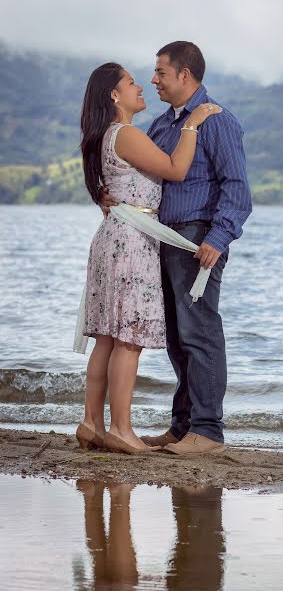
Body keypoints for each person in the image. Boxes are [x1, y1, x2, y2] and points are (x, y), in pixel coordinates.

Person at [102, 42, 252, 456]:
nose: (153, 80)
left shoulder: (217, 121)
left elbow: (238, 190)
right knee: (176, 339)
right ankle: (184, 427)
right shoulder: (163, 126)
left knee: (199, 333)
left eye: (161, 73)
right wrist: (109, 197)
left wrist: (218, 238)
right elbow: (145, 177)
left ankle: (208, 432)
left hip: (196, 238)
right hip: (160, 240)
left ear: (185, 75)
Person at [75, 61, 221, 455]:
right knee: (129, 338)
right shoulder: (125, 133)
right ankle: (121, 429)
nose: (142, 86)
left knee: (108, 336)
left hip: (115, 236)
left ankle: (92, 423)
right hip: (132, 241)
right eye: (132, 82)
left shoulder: (107, 135)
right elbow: (175, 169)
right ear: (114, 95)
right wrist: (192, 124)